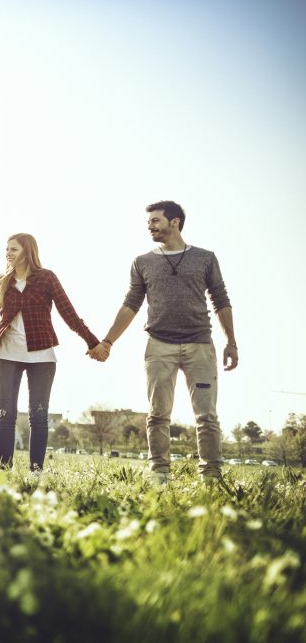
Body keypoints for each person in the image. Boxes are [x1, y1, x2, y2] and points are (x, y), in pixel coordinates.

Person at [88, 201, 237, 483]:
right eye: (148, 222)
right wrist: (108, 340)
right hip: (159, 346)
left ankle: (212, 476)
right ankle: (160, 472)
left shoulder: (205, 258)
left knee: (206, 416)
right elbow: (130, 304)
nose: (150, 226)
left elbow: (221, 299)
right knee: (157, 414)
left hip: (200, 345)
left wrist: (231, 341)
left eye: (155, 221)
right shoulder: (142, 262)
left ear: (175, 222)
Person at [0, 233, 99, 472]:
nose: (8, 253)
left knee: (38, 416)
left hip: (42, 357)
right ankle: (4, 470)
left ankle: (36, 471)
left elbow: (69, 313)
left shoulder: (47, 278)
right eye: (6, 249)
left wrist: (92, 342)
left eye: (14, 249)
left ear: (27, 252)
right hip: (6, 354)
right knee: (6, 414)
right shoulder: (0, 281)